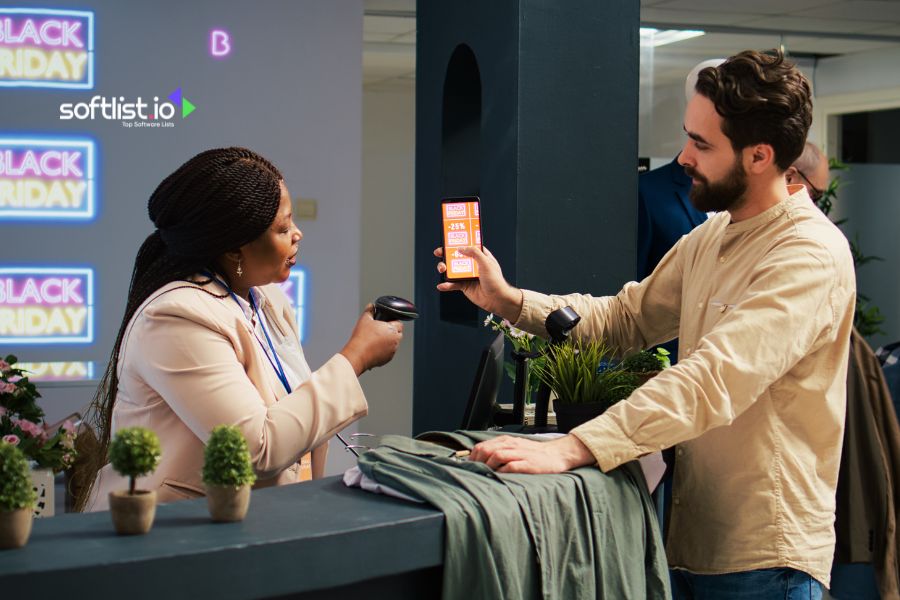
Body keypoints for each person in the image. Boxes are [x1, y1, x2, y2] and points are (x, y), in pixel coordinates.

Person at [435, 50, 855, 597]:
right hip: (688, 541)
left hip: (764, 561)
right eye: (688, 136)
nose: (683, 157)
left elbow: (712, 379)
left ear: (759, 155)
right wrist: (510, 300)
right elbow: (626, 318)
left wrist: (575, 446)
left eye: (702, 145)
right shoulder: (712, 237)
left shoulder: (808, 255)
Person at [77, 147, 403, 511]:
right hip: (174, 532)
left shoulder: (267, 299)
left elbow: (291, 415)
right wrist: (354, 358)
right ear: (235, 248)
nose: (297, 235)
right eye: (282, 227)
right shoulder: (176, 317)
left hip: (260, 519)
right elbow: (256, 446)